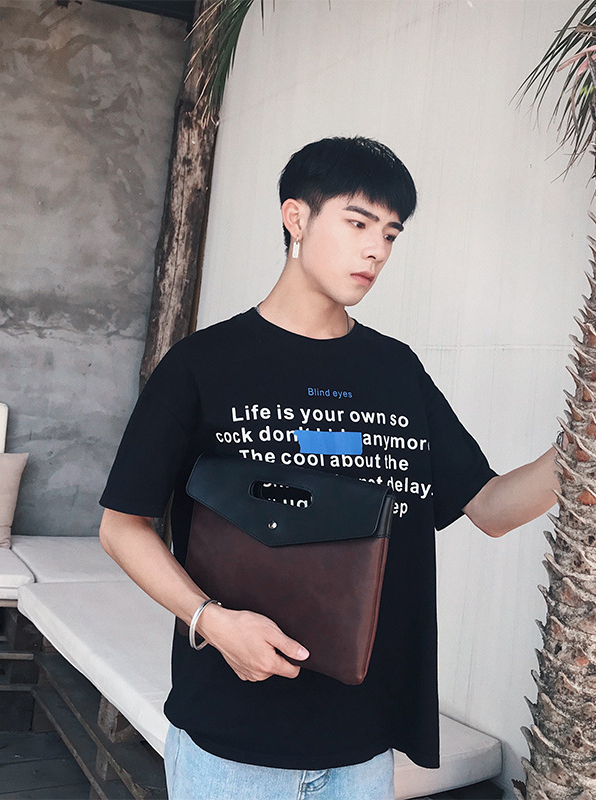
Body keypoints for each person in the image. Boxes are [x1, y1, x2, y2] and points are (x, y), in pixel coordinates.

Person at [98, 136, 561, 800]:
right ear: (296, 217)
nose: (377, 250)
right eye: (358, 223)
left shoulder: (395, 370)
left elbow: (489, 508)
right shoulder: (203, 365)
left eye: (391, 234)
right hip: (234, 741)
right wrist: (213, 622)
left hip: (362, 744)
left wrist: (594, 442)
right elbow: (122, 525)